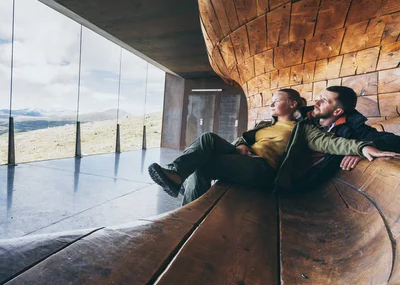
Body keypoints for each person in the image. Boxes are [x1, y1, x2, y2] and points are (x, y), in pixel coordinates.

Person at [148, 89, 399, 205]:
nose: (270, 105)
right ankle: (176, 174)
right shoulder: (264, 123)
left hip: (264, 169)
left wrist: (364, 147)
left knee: (204, 167)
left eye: (275, 101)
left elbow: (332, 141)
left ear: (291, 103)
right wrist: (241, 146)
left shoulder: (304, 129)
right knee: (207, 139)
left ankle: (187, 214)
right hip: (246, 158)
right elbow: (244, 139)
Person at [297, 86, 400, 189]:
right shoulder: (298, 116)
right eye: (319, 97)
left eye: (323, 100)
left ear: (337, 112)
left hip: (310, 187)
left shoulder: (353, 127)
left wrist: (363, 148)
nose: (316, 102)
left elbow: (394, 140)